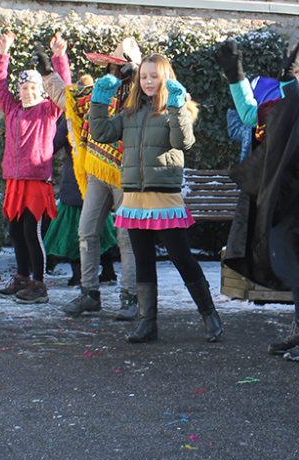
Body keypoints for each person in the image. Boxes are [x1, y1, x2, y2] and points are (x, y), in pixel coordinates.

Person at [219, 38, 299, 362]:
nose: (294, 76)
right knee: (294, 260)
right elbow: (252, 115)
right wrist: (236, 77)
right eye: (294, 71)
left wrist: (289, 85)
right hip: (293, 194)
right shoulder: (294, 99)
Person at [88, 53, 223, 344]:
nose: (148, 81)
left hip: (164, 198)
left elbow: (182, 142)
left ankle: (209, 315)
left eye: (154, 76)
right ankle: (147, 322)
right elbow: (100, 132)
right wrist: (99, 101)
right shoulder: (130, 111)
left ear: (166, 77)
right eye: (144, 76)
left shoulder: (177, 108)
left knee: (181, 257)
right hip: (135, 199)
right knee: (144, 260)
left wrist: (175, 107)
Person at [42, 39, 139, 320]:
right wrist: (49, 74)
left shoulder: (140, 93)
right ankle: (89, 293)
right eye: (112, 64)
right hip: (97, 169)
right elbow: (69, 98)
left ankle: (130, 297)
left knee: (127, 238)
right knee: (86, 231)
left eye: (119, 65)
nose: (113, 69)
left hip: (127, 174)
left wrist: (134, 81)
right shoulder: (99, 90)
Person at [0, 31, 72, 304]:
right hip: (15, 181)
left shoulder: (49, 111)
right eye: (23, 88)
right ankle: (23, 278)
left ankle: (39, 283)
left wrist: (59, 58)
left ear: (41, 89)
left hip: (37, 181)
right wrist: (3, 54)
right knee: (15, 231)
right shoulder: (13, 109)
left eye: (33, 88)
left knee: (31, 232)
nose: (27, 92)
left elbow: (65, 91)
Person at [42, 76, 120, 288]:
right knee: (100, 233)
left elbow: (53, 145)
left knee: (76, 234)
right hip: (97, 182)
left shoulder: (72, 117)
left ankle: (80, 276)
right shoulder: (107, 113)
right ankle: (108, 273)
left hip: (76, 184)